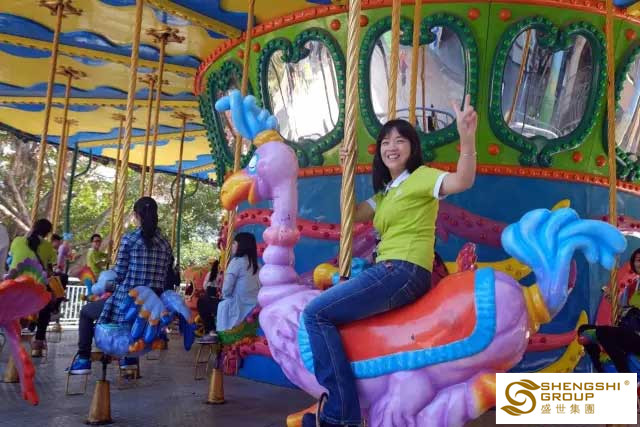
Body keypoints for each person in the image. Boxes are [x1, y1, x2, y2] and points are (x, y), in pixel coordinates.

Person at [301, 95, 478, 427]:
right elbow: (351, 214)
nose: (391, 146)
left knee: (315, 314)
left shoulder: (421, 177)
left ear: (412, 147)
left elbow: (462, 181)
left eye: (400, 140)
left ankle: (340, 414)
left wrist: (466, 139)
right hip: (391, 269)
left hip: (401, 268)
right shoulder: (386, 193)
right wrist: (345, 172)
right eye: (385, 141)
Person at [68, 197, 174, 374]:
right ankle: (128, 359)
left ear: (136, 215)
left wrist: (106, 281)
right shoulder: (165, 244)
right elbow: (164, 276)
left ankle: (83, 359)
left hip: (128, 303)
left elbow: (120, 274)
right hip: (151, 307)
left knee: (86, 313)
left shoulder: (130, 239)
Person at [580, 248, 640, 374]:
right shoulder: (635, 286)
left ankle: (624, 373)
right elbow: (627, 312)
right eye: (638, 260)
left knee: (604, 332)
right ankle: (600, 370)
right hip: (631, 331)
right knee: (584, 330)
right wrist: (613, 300)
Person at [216, 233, 260, 332]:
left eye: (234, 243)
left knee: (205, 302)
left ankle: (214, 333)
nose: (232, 246)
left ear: (241, 246)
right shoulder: (258, 265)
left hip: (240, 306)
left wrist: (224, 294)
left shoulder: (236, 262)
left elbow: (226, 289)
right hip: (254, 304)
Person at [197, 259, 221, 343]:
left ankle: (210, 330)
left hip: (209, 296)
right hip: (216, 297)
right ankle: (212, 331)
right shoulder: (221, 275)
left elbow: (204, 286)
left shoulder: (209, 274)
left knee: (202, 305)